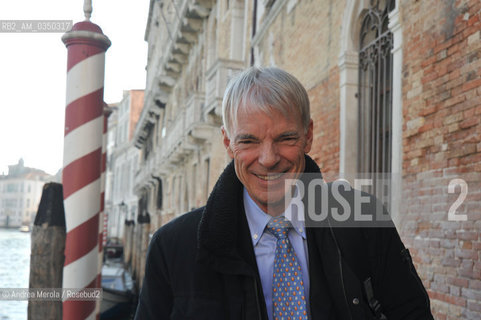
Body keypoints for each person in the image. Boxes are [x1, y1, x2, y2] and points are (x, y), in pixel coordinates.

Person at [134, 67, 433, 320]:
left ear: (308, 136)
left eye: (285, 138)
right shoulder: (172, 248)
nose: (268, 158)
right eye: (248, 141)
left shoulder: (363, 220)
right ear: (228, 143)